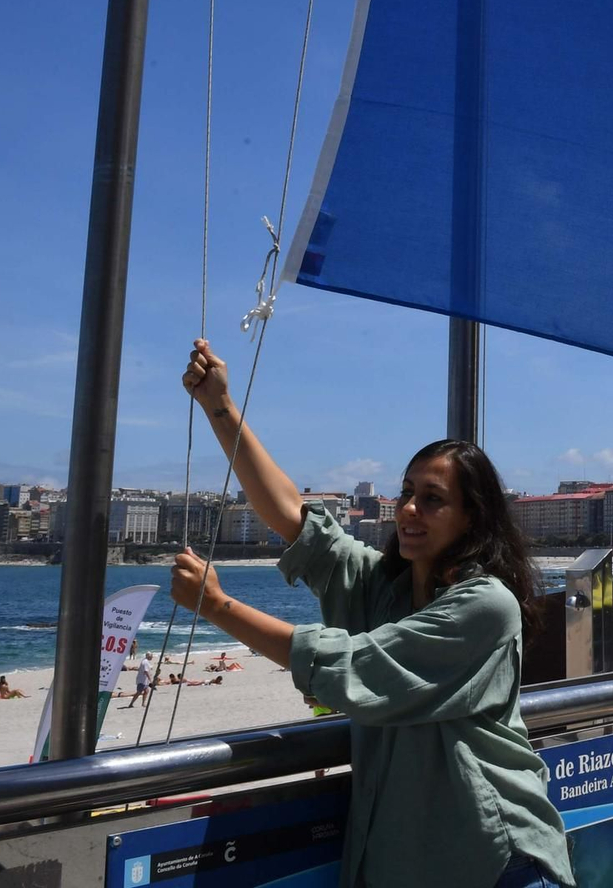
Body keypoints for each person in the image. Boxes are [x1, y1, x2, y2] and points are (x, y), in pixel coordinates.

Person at [179, 337, 574, 888]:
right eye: (408, 492)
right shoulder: (382, 588)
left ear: (471, 518)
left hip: (493, 862)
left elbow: (354, 666)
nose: (409, 509)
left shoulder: (486, 605)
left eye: (433, 499)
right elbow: (298, 520)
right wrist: (219, 407)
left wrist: (218, 606)